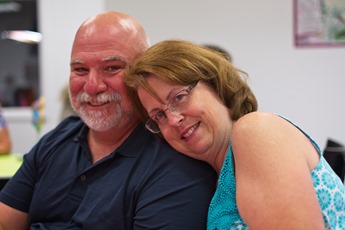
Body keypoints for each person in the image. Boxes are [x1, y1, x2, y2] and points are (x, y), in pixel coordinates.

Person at [0, 13, 217, 229]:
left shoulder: (173, 160)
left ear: (144, 73)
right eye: (80, 70)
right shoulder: (58, 139)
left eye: (112, 67)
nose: (92, 86)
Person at [125, 39, 345, 229]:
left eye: (179, 97)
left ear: (216, 84)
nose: (173, 120)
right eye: (159, 116)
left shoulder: (255, 131)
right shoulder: (214, 177)